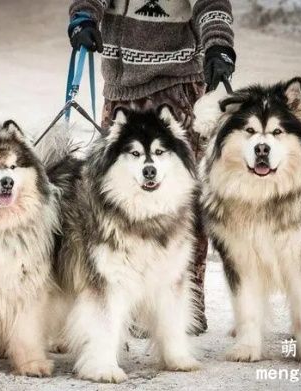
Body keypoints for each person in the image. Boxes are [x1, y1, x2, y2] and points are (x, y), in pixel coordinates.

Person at [68, 0, 236, 333]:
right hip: (120, 85)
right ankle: (122, 298)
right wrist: (84, 18)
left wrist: (218, 45)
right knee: (112, 196)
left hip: (175, 82)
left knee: (179, 198)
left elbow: (212, 3)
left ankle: (186, 296)